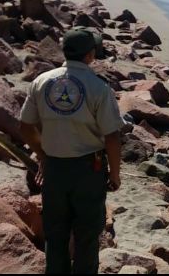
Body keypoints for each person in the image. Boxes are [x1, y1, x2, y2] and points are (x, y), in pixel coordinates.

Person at [20, 27, 124, 274]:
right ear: (90, 55)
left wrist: (42, 155)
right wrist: (115, 174)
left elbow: (25, 125)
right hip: (88, 170)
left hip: (54, 168)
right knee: (87, 235)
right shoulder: (99, 88)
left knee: (55, 234)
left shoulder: (42, 81)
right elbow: (112, 136)